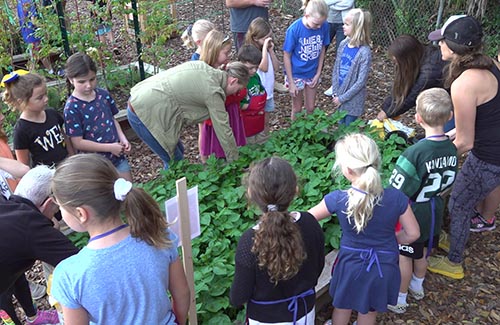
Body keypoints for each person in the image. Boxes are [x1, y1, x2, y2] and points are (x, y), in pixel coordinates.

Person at [50, 154, 190, 324]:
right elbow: (182, 294)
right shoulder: (158, 236)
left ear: (81, 213)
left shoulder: (68, 274)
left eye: (61, 207)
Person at [308, 133, 420, 325]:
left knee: (342, 305)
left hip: (349, 263)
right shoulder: (396, 198)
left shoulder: (338, 199)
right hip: (383, 265)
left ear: (347, 169)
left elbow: (307, 218)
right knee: (369, 310)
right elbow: (413, 233)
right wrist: (392, 240)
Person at [426, 15, 500, 279]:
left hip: (489, 157)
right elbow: (476, 120)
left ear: (454, 46)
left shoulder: (463, 84)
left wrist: (434, 157)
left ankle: (455, 262)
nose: (439, 47)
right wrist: (445, 140)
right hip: (492, 148)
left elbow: (466, 142)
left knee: (457, 203)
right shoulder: (488, 64)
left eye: (442, 42)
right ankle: (456, 236)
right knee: (461, 200)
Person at [386, 88, 457, 314]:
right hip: (435, 206)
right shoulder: (452, 148)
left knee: (405, 254)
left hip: (413, 211)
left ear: (417, 118)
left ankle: (400, 297)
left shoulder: (414, 153)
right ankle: (418, 286)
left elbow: (397, 188)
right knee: (424, 250)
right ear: (449, 117)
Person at [230, 157, 325, 324]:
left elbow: (238, 297)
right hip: (304, 314)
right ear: (295, 190)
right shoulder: (310, 223)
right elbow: (317, 269)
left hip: (264, 319)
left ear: (251, 194)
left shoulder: (249, 241)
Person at [127, 60, 249, 169]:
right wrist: (234, 162)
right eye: (237, 90)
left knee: (179, 150)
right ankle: (174, 191)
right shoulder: (213, 92)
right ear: (233, 81)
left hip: (142, 98)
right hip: (143, 113)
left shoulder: (204, 68)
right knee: (175, 163)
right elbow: (223, 129)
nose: (235, 94)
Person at [0, 166, 79, 325]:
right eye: (59, 206)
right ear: (50, 202)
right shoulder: (32, 228)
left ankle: (33, 317)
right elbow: (82, 265)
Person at [64, 52, 132, 181]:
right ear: (70, 80)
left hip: (117, 156)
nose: (88, 85)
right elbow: (77, 142)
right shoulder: (72, 108)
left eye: (92, 79)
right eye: (82, 82)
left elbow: (112, 119)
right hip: (95, 166)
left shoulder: (103, 95)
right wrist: (110, 147)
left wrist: (123, 138)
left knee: (127, 191)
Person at [1, 71, 72, 167]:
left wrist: (73, 157)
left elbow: (66, 139)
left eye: (45, 94)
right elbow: (23, 165)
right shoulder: (21, 130)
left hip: (67, 168)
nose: (46, 99)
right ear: (21, 101)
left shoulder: (52, 114)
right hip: (46, 178)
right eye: (40, 97)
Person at [199, 30, 247, 160]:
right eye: (226, 52)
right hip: (216, 118)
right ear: (214, 51)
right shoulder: (206, 72)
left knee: (230, 138)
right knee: (218, 147)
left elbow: (241, 90)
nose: (229, 55)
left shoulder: (225, 68)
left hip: (230, 113)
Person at [376, 35, 447, 121]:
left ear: (407, 59)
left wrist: (387, 113)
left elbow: (412, 96)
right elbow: (401, 86)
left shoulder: (429, 72)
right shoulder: (422, 53)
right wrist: (386, 108)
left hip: (454, 105)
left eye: (396, 61)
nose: (396, 65)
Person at [283, 0, 330, 120]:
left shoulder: (324, 26)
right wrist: (291, 82)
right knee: (297, 108)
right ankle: (295, 135)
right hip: (296, 74)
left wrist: (318, 73)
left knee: (310, 107)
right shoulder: (294, 29)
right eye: (316, 24)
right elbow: (286, 56)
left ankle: (310, 135)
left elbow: (322, 50)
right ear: (306, 16)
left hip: (312, 73)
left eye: (321, 23)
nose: (319, 27)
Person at [329, 8, 372, 125]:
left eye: (347, 24)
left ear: (357, 28)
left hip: (353, 102)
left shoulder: (364, 52)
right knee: (339, 129)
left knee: (349, 131)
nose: (343, 26)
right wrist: (335, 91)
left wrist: (342, 98)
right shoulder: (343, 44)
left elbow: (360, 81)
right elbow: (336, 69)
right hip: (339, 97)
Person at [245, 17, 279, 136]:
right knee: (258, 120)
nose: (268, 40)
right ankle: (257, 141)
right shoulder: (253, 53)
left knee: (266, 120)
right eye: (265, 38)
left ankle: (265, 139)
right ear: (255, 38)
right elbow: (263, 67)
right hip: (258, 94)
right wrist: (265, 48)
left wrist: (271, 51)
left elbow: (276, 66)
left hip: (268, 92)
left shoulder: (267, 51)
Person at [323, 0, 355, 97]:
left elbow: (348, 3)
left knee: (341, 55)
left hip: (344, 23)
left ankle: (336, 85)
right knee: (320, 49)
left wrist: (331, 3)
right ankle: (313, 76)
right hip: (327, 20)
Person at [238, 44, 268, 142]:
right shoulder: (239, 82)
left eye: (256, 67)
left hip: (259, 118)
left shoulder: (255, 77)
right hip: (246, 122)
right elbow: (237, 105)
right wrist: (251, 106)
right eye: (250, 68)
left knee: (262, 141)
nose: (254, 71)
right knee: (249, 145)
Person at [16, 0, 54, 72]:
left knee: (40, 54)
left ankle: (51, 71)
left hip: (26, 32)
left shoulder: (20, 2)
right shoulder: (30, 2)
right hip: (33, 33)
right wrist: (44, 28)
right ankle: (30, 76)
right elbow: (34, 20)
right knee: (35, 57)